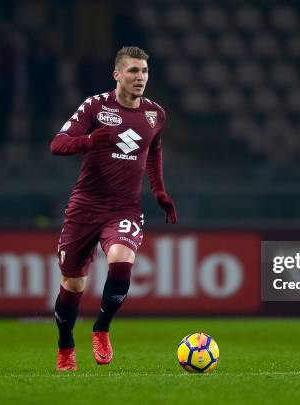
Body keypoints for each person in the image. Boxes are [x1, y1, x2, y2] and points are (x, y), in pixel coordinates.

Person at [49, 46, 177, 371]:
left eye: (144, 71)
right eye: (133, 71)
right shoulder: (95, 106)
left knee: (121, 264)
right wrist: (89, 140)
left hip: (124, 208)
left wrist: (159, 190)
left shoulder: (155, 114)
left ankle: (101, 328)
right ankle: (65, 345)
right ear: (117, 74)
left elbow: (154, 150)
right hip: (85, 206)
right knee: (73, 285)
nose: (140, 78)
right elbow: (58, 144)